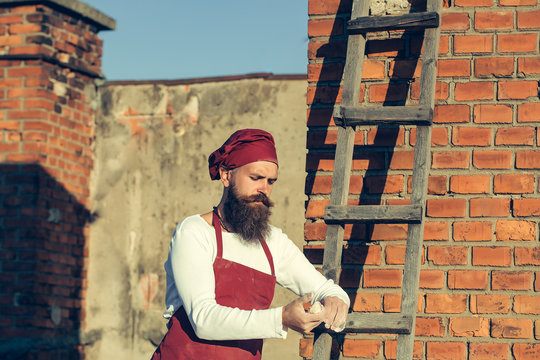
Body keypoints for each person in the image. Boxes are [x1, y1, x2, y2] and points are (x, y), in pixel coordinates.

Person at [151, 129, 349, 360]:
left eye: (270, 181)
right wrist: (282, 318)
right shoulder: (194, 232)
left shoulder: (273, 242)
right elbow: (204, 320)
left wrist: (336, 300)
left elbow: (326, 289)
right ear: (226, 176)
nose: (263, 189)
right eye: (255, 178)